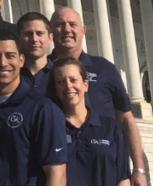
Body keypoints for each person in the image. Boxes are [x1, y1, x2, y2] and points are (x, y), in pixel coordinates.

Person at [49, 7, 147, 186]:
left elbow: (126, 118)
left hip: (104, 162)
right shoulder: (44, 70)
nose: (67, 30)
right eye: (60, 25)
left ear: (83, 30)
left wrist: (139, 169)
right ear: (51, 31)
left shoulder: (104, 68)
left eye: (72, 25)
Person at [0, 30, 66, 186]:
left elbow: (57, 174)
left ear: (21, 60)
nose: (2, 63)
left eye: (10, 55)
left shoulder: (42, 108)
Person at [47, 58, 131, 186]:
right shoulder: (51, 130)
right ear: (56, 90)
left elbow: (122, 179)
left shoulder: (111, 129)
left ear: (85, 85)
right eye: (61, 82)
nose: (69, 86)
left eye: (73, 80)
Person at [17, 13, 55, 95]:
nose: (34, 39)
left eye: (39, 33)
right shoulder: (10, 76)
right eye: (28, 34)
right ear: (18, 38)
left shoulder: (60, 75)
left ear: (50, 38)